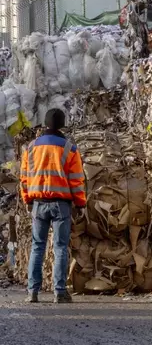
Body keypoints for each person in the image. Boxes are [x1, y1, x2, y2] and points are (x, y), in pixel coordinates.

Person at [20, 109, 86, 303]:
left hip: (38, 204)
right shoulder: (69, 149)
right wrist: (80, 203)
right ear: (62, 125)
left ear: (45, 124)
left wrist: (27, 199)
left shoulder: (31, 148)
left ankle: (32, 291)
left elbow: (24, 178)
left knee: (37, 247)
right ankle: (59, 292)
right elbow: (76, 180)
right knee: (60, 247)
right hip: (61, 205)